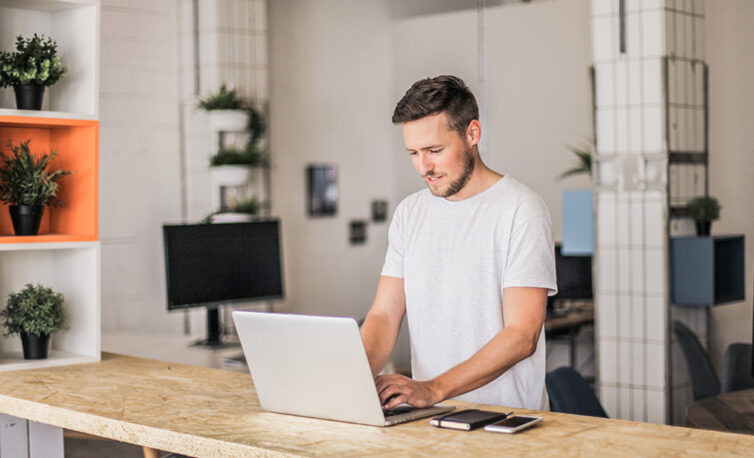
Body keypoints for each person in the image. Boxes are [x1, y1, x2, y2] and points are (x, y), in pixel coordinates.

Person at [360, 75, 556, 411]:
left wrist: (434, 389)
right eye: (414, 153)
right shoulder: (410, 213)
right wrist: (352, 377)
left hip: (507, 424)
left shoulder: (521, 210)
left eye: (435, 151)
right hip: (432, 420)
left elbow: (523, 335)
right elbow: (384, 315)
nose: (424, 167)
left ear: (472, 134)